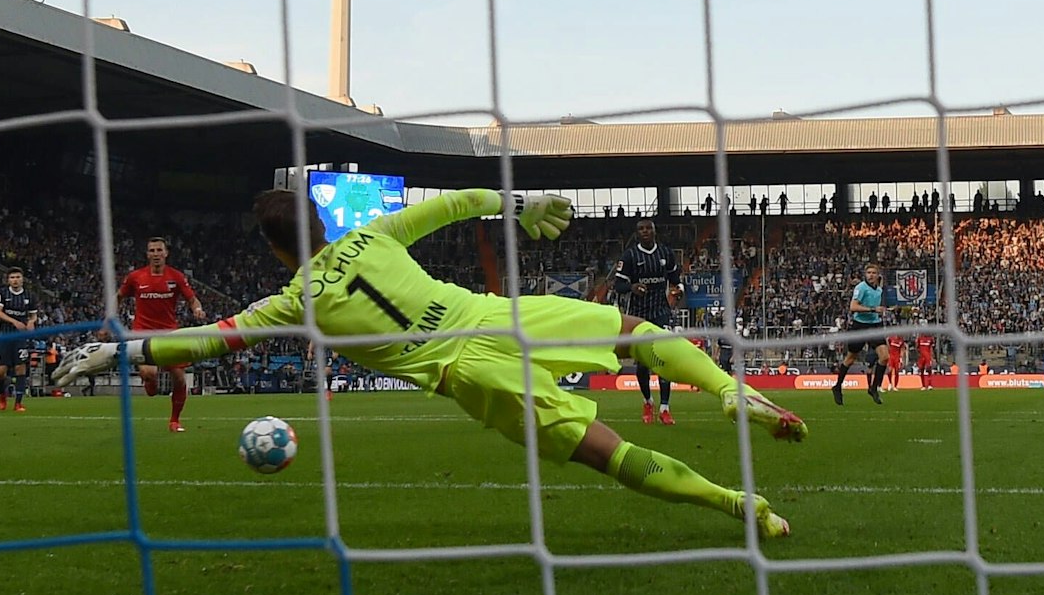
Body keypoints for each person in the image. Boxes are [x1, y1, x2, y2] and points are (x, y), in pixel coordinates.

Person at [58, 189, 804, 538]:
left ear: (279, 250)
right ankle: (728, 388)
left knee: (604, 451)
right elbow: (457, 203)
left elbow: (211, 340)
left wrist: (119, 353)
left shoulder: (291, 300)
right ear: (323, 222)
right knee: (632, 328)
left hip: (467, 371)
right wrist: (522, 206)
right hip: (495, 316)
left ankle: (740, 507)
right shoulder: (377, 234)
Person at [117, 237, 207, 433]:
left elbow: (192, 299)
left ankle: (174, 420)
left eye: (159, 250)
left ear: (166, 253)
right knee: (149, 374)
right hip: (142, 332)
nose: (156, 254)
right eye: (152, 250)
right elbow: (119, 297)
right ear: (147, 254)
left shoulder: (176, 277)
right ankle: (150, 382)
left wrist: (197, 309)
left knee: (179, 378)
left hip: (169, 333)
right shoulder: (136, 277)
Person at [611, 218, 682, 425]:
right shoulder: (630, 255)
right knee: (643, 362)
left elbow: (675, 278)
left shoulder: (665, 253)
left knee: (663, 358)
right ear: (637, 233)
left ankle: (665, 408)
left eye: (648, 228)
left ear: (654, 231)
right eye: (641, 229)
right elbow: (618, 285)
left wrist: (678, 289)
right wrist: (632, 287)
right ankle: (648, 401)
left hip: (661, 311)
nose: (645, 231)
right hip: (638, 314)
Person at [832, 264, 890, 405]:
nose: (870, 275)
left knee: (884, 357)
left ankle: (874, 388)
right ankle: (837, 386)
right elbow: (853, 307)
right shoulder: (861, 288)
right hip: (859, 326)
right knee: (851, 358)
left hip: (875, 325)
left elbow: (877, 308)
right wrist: (872, 309)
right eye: (868, 272)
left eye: (873, 273)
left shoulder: (879, 290)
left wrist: (880, 311)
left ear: (878, 275)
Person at [0, 268, 38, 412]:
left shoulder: (30, 296)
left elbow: (33, 315)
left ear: (22, 279)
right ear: (8, 280)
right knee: (0, 372)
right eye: (12, 277)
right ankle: (2, 395)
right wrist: (14, 321)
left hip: (20, 337)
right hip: (4, 336)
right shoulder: (2, 293)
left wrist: (31, 322)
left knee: (20, 368)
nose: (15, 280)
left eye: (17, 277)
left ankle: (18, 403)